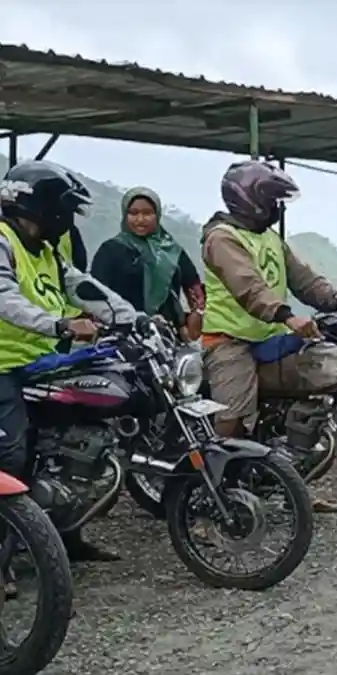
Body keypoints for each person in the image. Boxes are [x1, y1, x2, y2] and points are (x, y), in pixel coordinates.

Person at [200, 161, 337, 513]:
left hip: (271, 337)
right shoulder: (222, 238)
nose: (277, 208)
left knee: (314, 386)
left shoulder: (270, 238)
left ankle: (290, 487)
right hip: (230, 341)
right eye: (272, 199)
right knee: (232, 419)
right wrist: (287, 315)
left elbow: (304, 279)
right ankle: (211, 505)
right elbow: (248, 286)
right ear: (248, 199)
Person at [0, 160, 136, 563]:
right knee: (12, 455)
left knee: (78, 440)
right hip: (4, 366)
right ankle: (5, 552)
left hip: (43, 363)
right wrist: (59, 325)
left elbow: (87, 289)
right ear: (41, 206)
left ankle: (63, 537)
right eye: (65, 209)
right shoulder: (3, 240)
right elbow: (4, 298)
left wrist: (135, 318)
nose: (68, 219)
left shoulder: (46, 252)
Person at [90, 187, 206, 342]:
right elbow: (95, 294)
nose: (140, 219)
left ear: (157, 215)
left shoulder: (172, 251)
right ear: (125, 215)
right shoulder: (110, 250)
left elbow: (194, 289)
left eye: (147, 213)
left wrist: (194, 319)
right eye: (133, 213)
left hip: (167, 337)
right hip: (123, 336)